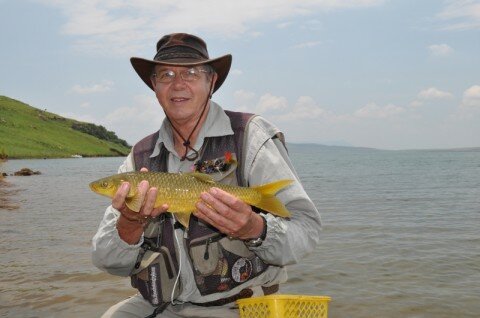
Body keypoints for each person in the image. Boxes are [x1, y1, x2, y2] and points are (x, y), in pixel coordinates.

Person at [92, 33, 322, 318]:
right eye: (166, 74)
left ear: (211, 81)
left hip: (241, 306)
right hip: (161, 306)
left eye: (191, 72)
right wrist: (129, 223)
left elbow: (307, 231)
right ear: (154, 85)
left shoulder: (250, 135)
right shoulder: (139, 158)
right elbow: (106, 261)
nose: (178, 84)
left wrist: (254, 228)